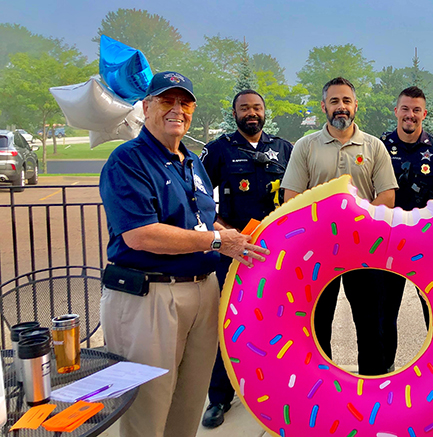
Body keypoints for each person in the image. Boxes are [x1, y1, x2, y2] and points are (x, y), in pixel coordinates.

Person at [99, 72, 267, 437]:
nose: (177, 109)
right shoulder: (127, 161)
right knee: (146, 411)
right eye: (166, 101)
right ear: (146, 107)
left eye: (185, 103)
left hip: (202, 292)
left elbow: (201, 221)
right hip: (150, 298)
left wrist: (233, 237)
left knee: (187, 405)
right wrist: (220, 243)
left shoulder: (193, 163)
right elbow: (141, 235)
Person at [281, 77, 398, 375]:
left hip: (365, 251)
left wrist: (355, 225)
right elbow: (292, 199)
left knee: (371, 325)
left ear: (356, 105)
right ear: (324, 106)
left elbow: (387, 196)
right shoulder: (306, 147)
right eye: (334, 101)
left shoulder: (374, 146)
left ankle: (372, 391)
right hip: (317, 253)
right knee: (317, 325)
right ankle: (321, 391)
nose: (341, 107)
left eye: (346, 100)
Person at [198, 89, 292, 428]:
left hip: (274, 256)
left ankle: (277, 390)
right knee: (228, 325)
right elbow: (199, 199)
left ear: (264, 112)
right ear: (235, 112)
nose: (251, 113)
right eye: (244, 108)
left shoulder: (284, 149)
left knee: (278, 324)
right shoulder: (219, 150)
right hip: (233, 253)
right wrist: (225, 235)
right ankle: (220, 397)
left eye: (256, 108)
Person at [379, 86, 433, 370]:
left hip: (428, 245)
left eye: (416, 110)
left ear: (424, 113)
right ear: (396, 111)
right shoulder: (379, 146)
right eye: (405, 109)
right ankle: (384, 370)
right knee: (385, 313)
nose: (410, 115)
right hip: (388, 243)